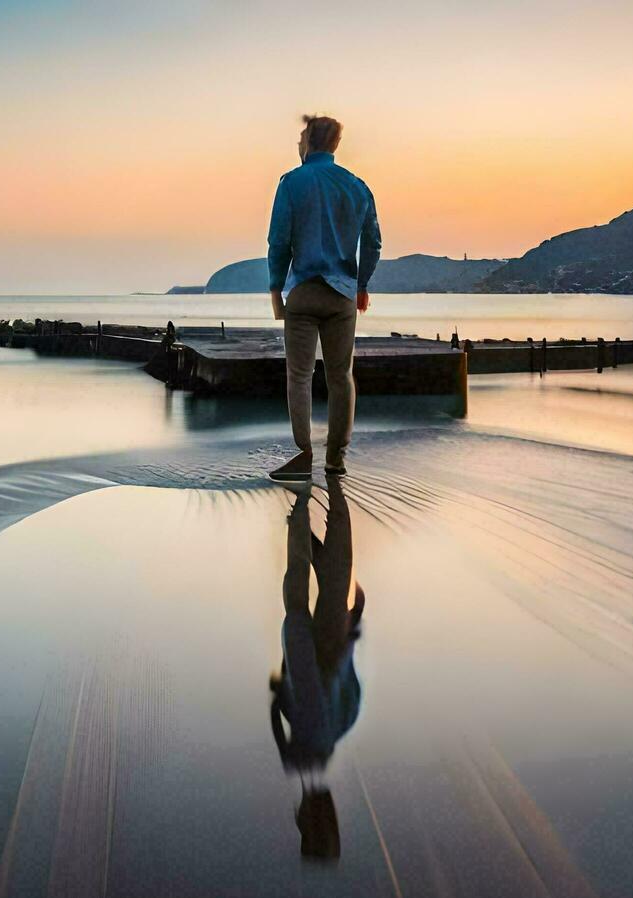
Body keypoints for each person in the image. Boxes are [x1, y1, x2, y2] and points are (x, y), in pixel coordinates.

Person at [265, 114, 382, 482]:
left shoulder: (291, 182)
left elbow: (279, 241)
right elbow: (373, 243)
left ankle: (303, 455)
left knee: (299, 376)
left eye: (301, 137)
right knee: (341, 376)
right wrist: (362, 284)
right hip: (342, 294)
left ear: (311, 141)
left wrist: (274, 288)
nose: (298, 143)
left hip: (303, 290)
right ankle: (336, 459)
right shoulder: (357, 186)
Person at [269, 476, 366, 860]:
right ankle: (302, 503)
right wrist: (279, 699)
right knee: (299, 591)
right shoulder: (304, 757)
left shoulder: (340, 727)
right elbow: (290, 706)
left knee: (323, 580)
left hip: (325, 651)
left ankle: (311, 497)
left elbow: (339, 679)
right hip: (313, 658)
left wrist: (353, 624)